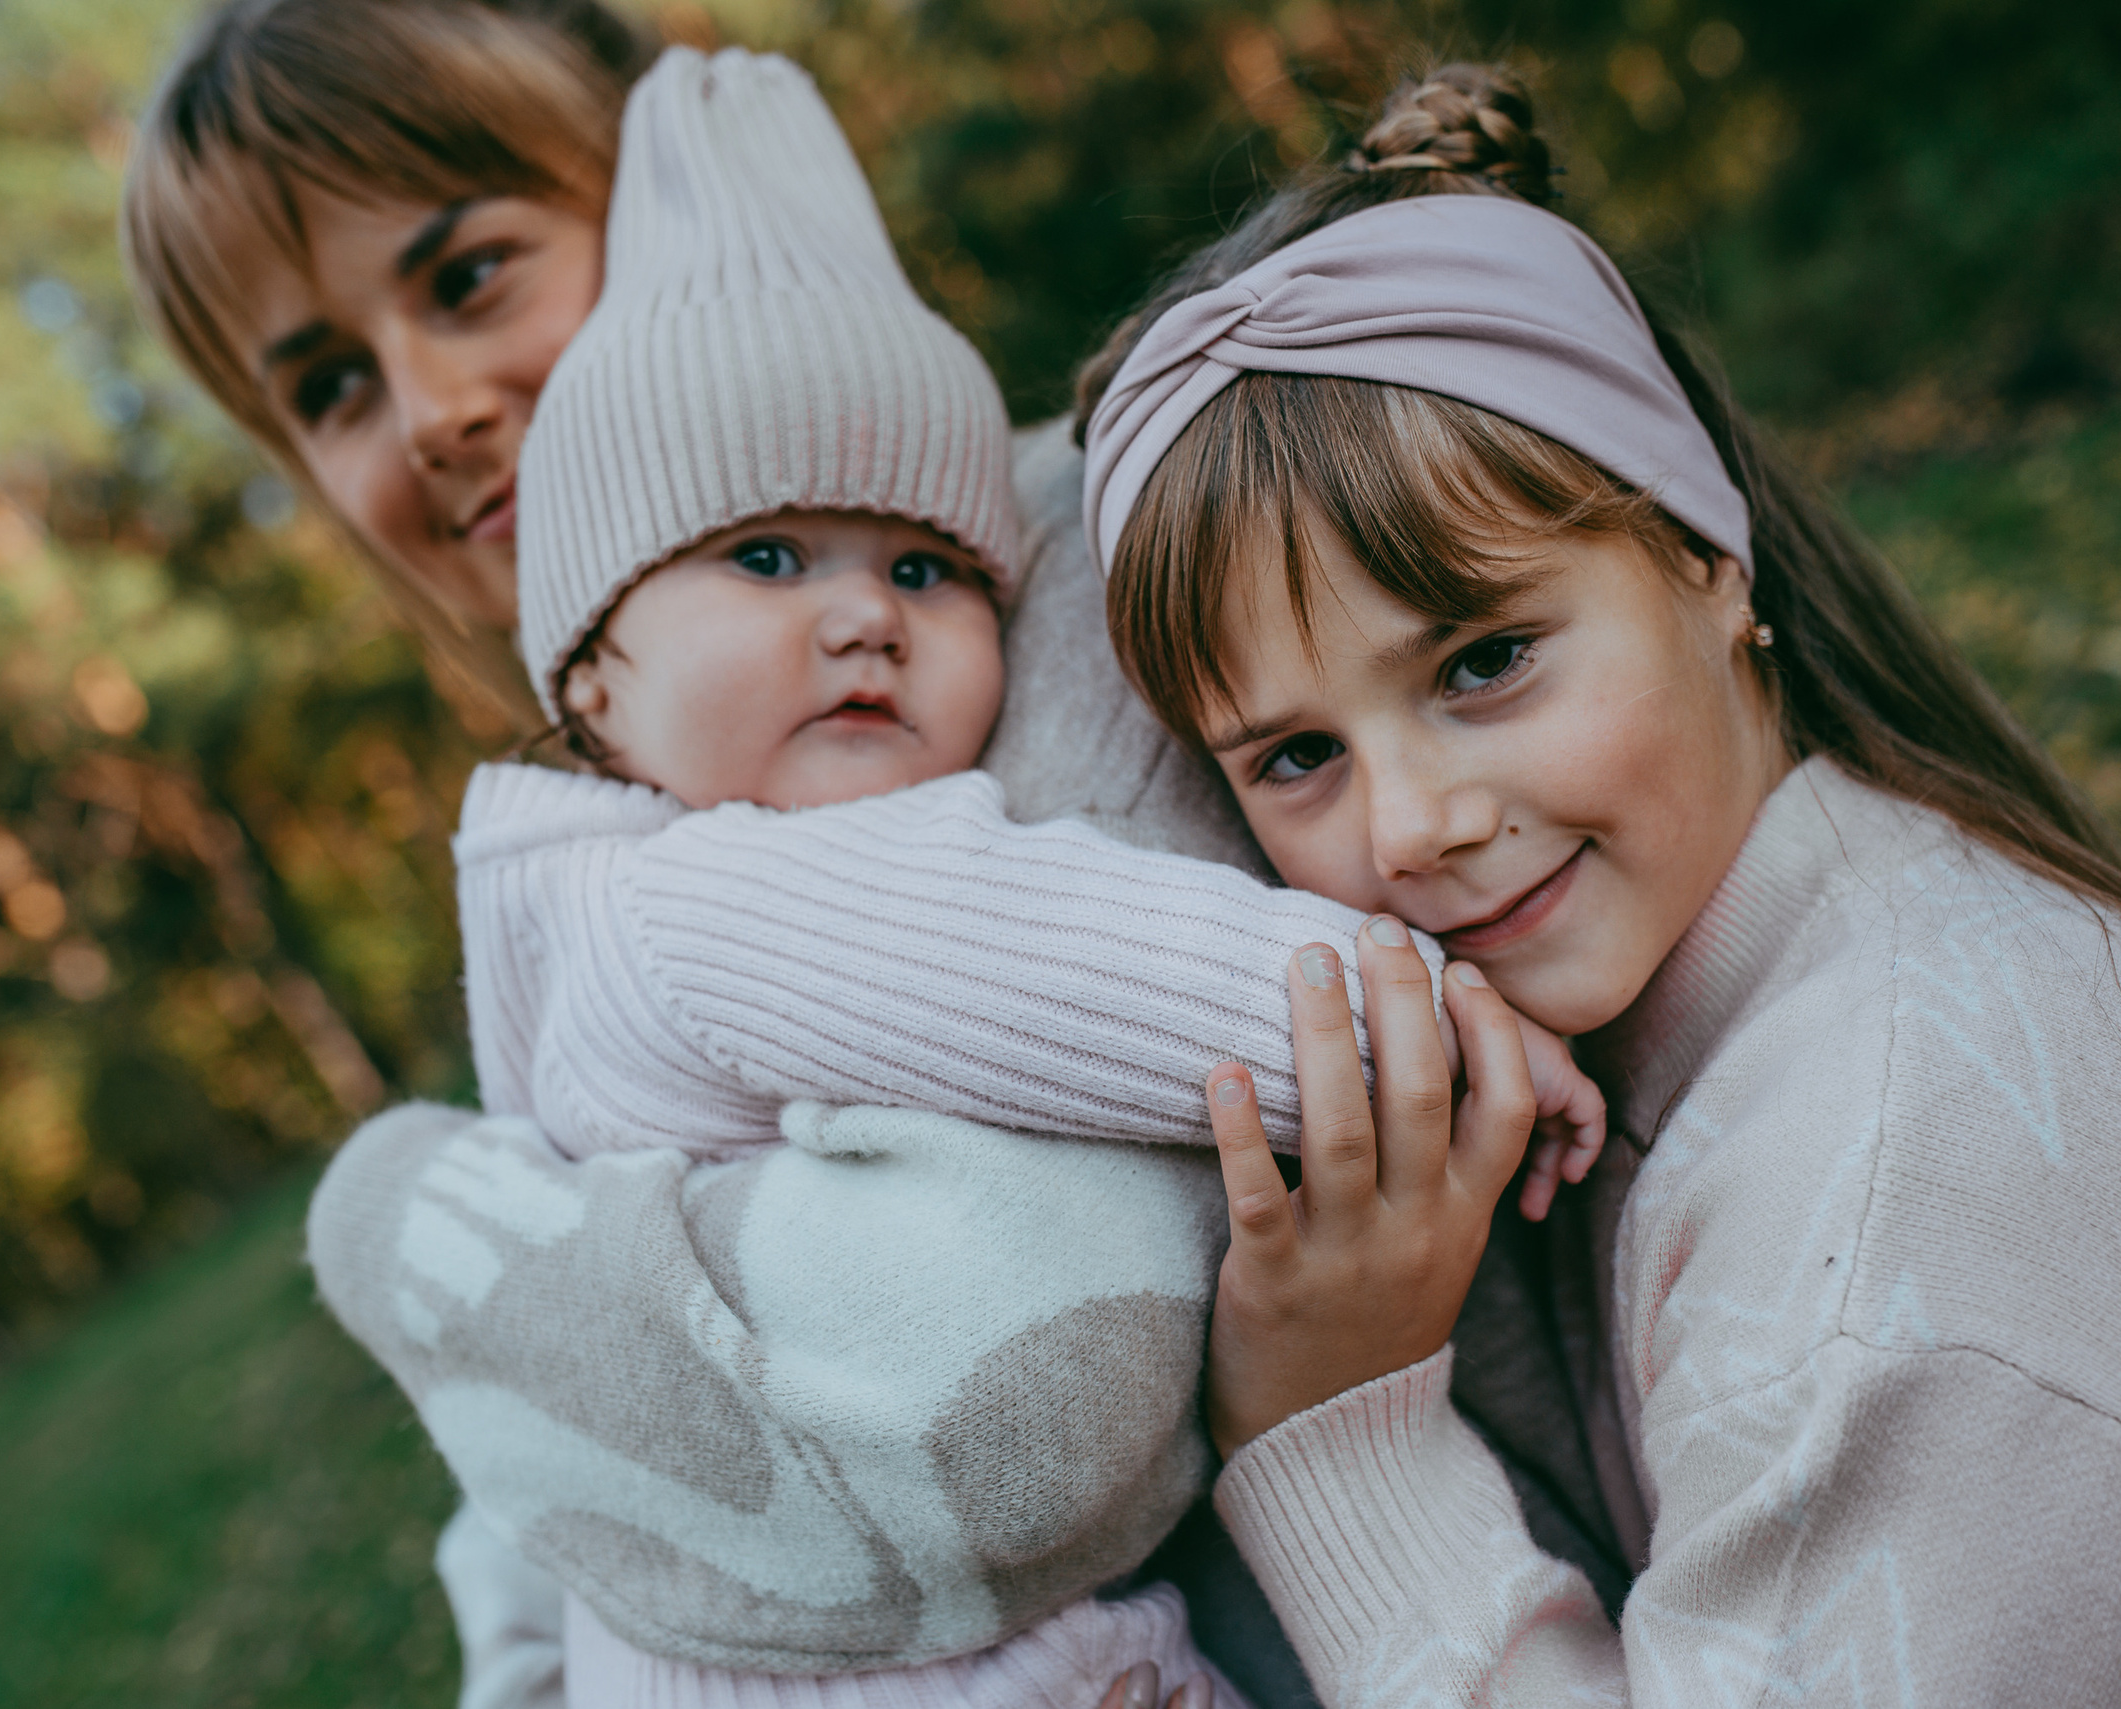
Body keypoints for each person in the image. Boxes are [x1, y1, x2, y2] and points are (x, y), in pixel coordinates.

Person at [122, 8, 1624, 1707]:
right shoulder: (622, 809)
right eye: (326, 384)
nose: (429, 410)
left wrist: (426, 1244)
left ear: (669, 182)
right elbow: (532, 1541)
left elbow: (1000, 1411)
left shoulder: (1069, 588)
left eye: (467, 275)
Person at [1072, 62, 2121, 1706]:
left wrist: (1337, 1432)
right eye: (1293, 757)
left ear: (1707, 557)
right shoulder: (1768, 1000)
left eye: (1484, 659)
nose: (1409, 828)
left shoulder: (1897, 1173)